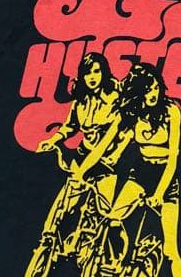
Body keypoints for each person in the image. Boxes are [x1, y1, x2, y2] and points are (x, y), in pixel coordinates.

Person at [75, 61, 181, 277]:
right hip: (141, 174)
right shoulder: (131, 113)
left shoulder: (171, 111)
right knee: (112, 220)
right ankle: (114, 275)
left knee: (170, 250)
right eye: (146, 90)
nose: (152, 94)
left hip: (166, 180)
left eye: (155, 88)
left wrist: (159, 194)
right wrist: (80, 172)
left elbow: (174, 158)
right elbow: (103, 145)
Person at [34, 51, 119, 236]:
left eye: (96, 71)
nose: (92, 77)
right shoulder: (80, 101)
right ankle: (49, 240)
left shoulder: (115, 98)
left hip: (107, 162)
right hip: (82, 155)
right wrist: (52, 140)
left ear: (104, 72)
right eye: (87, 73)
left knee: (101, 213)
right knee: (66, 203)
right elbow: (70, 126)